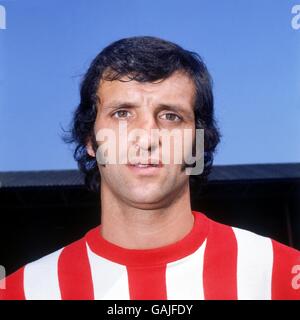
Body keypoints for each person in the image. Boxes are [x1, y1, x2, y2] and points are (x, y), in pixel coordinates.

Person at [1, 36, 299, 300]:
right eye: (122, 114)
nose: (146, 136)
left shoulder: (283, 277)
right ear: (90, 139)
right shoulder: (24, 291)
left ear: (198, 141)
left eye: (170, 116)